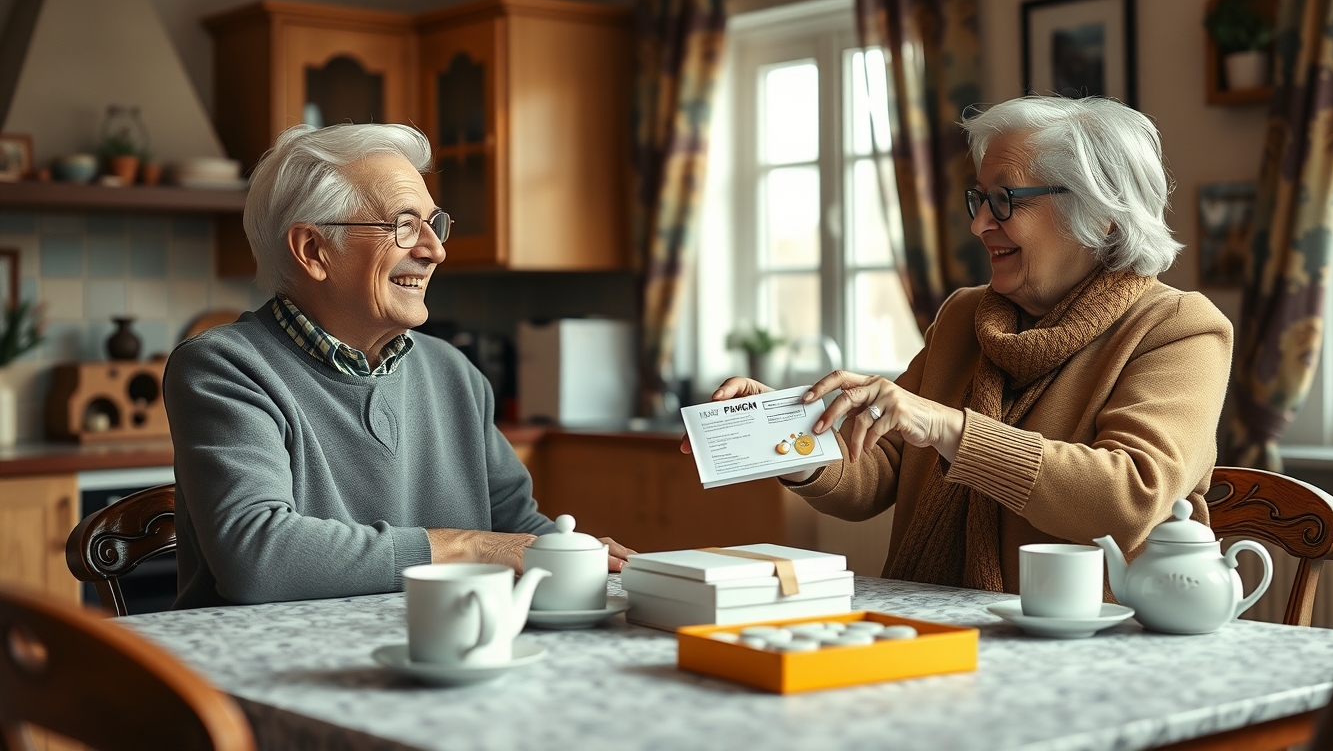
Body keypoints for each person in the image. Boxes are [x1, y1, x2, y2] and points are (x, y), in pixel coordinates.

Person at [687, 96, 1232, 592]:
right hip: (949, 629)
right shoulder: (963, 317)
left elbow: (1129, 496)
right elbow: (881, 468)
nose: (977, 225)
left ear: (1102, 216)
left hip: (1097, 646)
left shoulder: (1178, 328)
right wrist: (785, 430)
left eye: (1005, 200)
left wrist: (946, 427)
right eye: (979, 197)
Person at [165, 123, 632, 609]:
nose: (436, 250)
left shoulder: (454, 373)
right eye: (405, 225)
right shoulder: (224, 367)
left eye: (434, 224)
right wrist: (466, 546)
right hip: (266, 669)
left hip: (445, 652)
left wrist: (577, 555)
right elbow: (257, 559)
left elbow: (515, 530)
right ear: (313, 250)